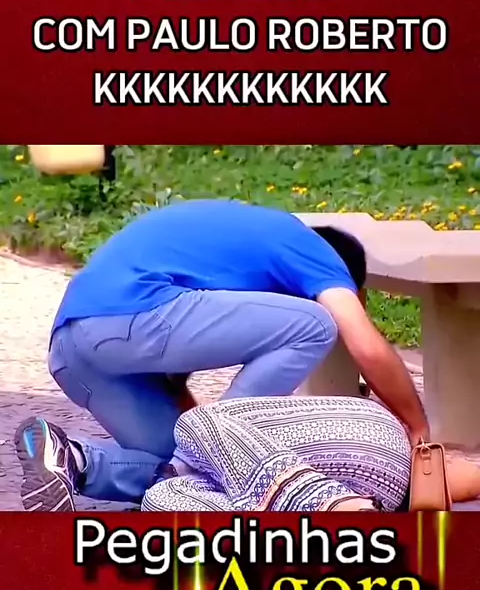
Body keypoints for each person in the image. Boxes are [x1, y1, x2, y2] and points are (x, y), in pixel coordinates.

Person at [15, 198, 430, 511]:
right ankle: (215, 448)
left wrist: (202, 448)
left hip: (73, 350)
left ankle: (70, 458)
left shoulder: (230, 253)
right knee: (316, 324)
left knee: (180, 465)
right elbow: (365, 344)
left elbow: (173, 376)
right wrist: (417, 428)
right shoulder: (313, 248)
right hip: (134, 315)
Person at [16, 396, 480, 513]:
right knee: (164, 493)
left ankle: (327, 506)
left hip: (379, 451)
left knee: (191, 433)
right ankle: (74, 459)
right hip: (373, 452)